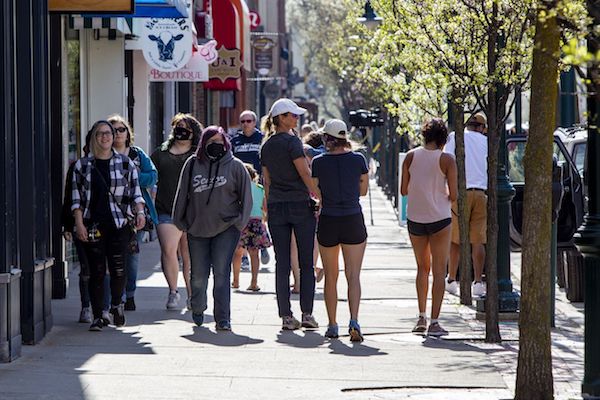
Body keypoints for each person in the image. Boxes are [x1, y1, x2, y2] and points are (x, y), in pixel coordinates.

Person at [173, 126, 252, 331]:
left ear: (226, 142)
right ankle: (198, 307)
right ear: (203, 144)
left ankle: (223, 318)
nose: (215, 146)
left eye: (219, 141)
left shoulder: (236, 166)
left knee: (221, 273)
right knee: (198, 275)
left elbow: (247, 198)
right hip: (197, 228)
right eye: (210, 142)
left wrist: (239, 223)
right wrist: (180, 221)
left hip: (226, 228)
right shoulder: (192, 164)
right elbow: (182, 194)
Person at [71, 120, 146, 331]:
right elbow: (76, 200)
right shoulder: (82, 166)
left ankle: (115, 304)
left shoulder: (125, 163)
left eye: (108, 133)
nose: (104, 137)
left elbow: (135, 193)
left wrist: (140, 212)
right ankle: (98, 316)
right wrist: (78, 224)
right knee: (96, 271)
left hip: (119, 224)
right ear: (93, 138)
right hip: (93, 224)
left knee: (118, 269)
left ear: (114, 138)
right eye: (100, 134)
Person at [261, 98, 320, 330]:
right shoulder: (292, 142)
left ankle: (286, 316)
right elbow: (305, 173)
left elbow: (267, 180)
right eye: (293, 115)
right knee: (306, 262)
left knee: (282, 262)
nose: (297, 119)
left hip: (277, 205)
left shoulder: (266, 145)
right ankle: (307, 314)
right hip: (298, 204)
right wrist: (318, 195)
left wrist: (267, 204)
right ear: (282, 118)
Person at [311, 119, 369, 342]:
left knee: (331, 277)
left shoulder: (318, 162)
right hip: (353, 218)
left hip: (329, 220)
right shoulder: (358, 160)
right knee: (353, 276)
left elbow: (318, 195)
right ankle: (354, 320)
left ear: (327, 138)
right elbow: (362, 191)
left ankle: (332, 324)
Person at [401, 118, 457, 336]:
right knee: (439, 271)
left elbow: (404, 190)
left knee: (421, 269)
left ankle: (421, 317)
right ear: (443, 139)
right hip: (440, 218)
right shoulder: (447, 160)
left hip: (415, 217)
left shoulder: (410, 156)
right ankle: (435, 321)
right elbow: (454, 194)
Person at [151, 113, 202, 310]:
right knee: (168, 250)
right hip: (166, 208)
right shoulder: (160, 152)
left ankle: (192, 295)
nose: (180, 130)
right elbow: (150, 175)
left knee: (190, 256)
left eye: (185, 127)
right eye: (176, 126)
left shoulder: (199, 154)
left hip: (192, 211)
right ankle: (173, 291)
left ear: (193, 131)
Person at [108, 114, 158, 311]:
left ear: (128, 133)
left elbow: (153, 176)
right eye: (114, 130)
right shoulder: (103, 154)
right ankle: (115, 296)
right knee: (112, 256)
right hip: (111, 212)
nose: (118, 133)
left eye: (122, 129)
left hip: (136, 213)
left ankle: (129, 295)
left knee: (132, 256)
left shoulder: (137, 154)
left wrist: (131, 173)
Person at [443, 113, 488, 298]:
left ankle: (452, 279)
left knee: (456, 239)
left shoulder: (456, 137)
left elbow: (446, 160)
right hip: (481, 192)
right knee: (478, 240)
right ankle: (478, 281)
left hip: (461, 192)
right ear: (482, 127)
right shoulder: (486, 142)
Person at [230, 110, 270, 267]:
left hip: (257, 183)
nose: (245, 124)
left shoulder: (261, 139)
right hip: (239, 184)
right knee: (242, 216)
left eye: (248, 121)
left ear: (255, 122)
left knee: (257, 214)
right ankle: (245, 254)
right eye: (243, 121)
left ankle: (262, 242)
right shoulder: (235, 141)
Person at [231, 163, 271, 291]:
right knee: (254, 253)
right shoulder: (260, 189)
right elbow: (265, 208)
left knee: (237, 253)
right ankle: (254, 282)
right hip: (256, 221)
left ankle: (236, 281)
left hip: (241, 221)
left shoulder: (238, 189)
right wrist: (264, 219)